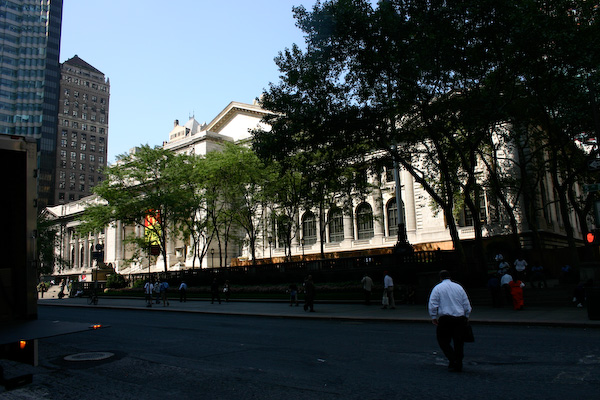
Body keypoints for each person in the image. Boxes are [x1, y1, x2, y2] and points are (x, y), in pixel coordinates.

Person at [428, 270, 472, 373]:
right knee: (459, 342)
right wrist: (466, 315)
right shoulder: (458, 287)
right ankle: (458, 362)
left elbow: (433, 303)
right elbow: (466, 303)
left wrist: (433, 316)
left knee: (443, 341)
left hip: (445, 318)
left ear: (440, 278)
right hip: (460, 318)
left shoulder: (437, 288)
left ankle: (453, 359)